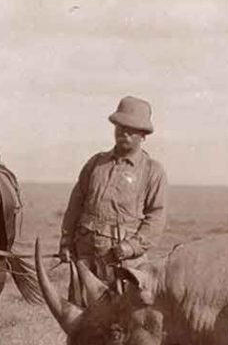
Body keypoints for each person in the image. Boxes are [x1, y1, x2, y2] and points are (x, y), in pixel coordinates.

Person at [58, 95, 168, 294]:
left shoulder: (152, 171)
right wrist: (66, 242)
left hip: (124, 264)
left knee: (123, 319)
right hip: (85, 258)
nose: (123, 133)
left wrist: (131, 246)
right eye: (120, 127)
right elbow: (75, 205)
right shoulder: (96, 163)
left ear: (143, 136)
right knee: (80, 315)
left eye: (131, 130)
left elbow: (156, 218)